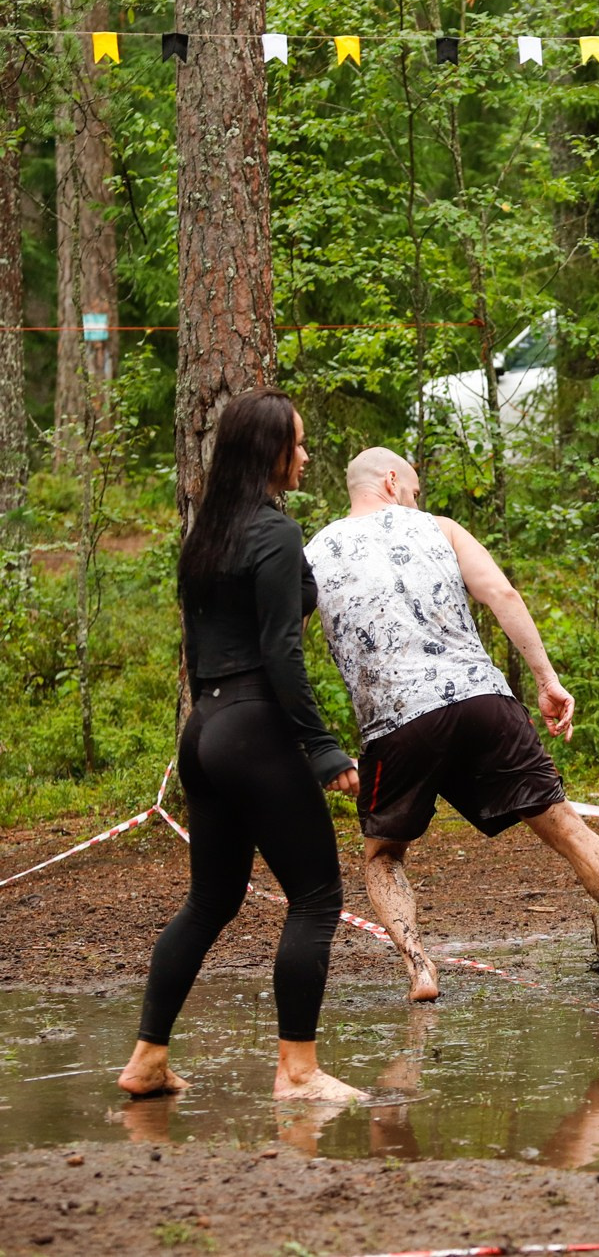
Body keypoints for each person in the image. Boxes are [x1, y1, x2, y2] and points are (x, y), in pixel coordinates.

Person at [305, 447, 599, 1001]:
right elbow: (502, 593)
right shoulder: (441, 528)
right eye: (413, 491)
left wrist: (308, 742)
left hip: (397, 724)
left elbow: (283, 644)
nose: (415, 501)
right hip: (484, 702)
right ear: (390, 480)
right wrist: (547, 680)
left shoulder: (312, 553)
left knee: (383, 856)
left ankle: (420, 970)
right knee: (569, 830)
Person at [119, 388, 364, 1104]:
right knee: (316, 898)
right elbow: (282, 652)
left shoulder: (207, 537)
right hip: (255, 727)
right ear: (270, 452)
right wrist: (323, 749)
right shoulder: (274, 533)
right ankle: (298, 1071)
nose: (306, 455)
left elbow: (199, 648)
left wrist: (212, 725)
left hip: (206, 730)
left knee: (210, 901)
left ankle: (147, 1059)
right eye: (298, 443)